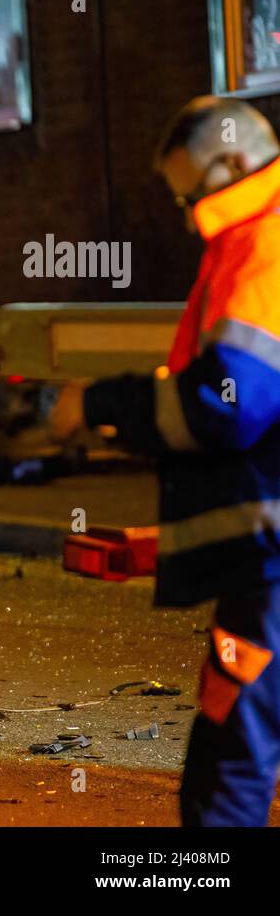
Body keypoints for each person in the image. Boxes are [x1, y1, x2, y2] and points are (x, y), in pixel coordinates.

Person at [51, 95, 280, 826]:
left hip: (273, 568)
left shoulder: (262, 246)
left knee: (230, 755)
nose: (187, 217)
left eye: (190, 194)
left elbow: (228, 402)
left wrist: (99, 407)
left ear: (235, 165)